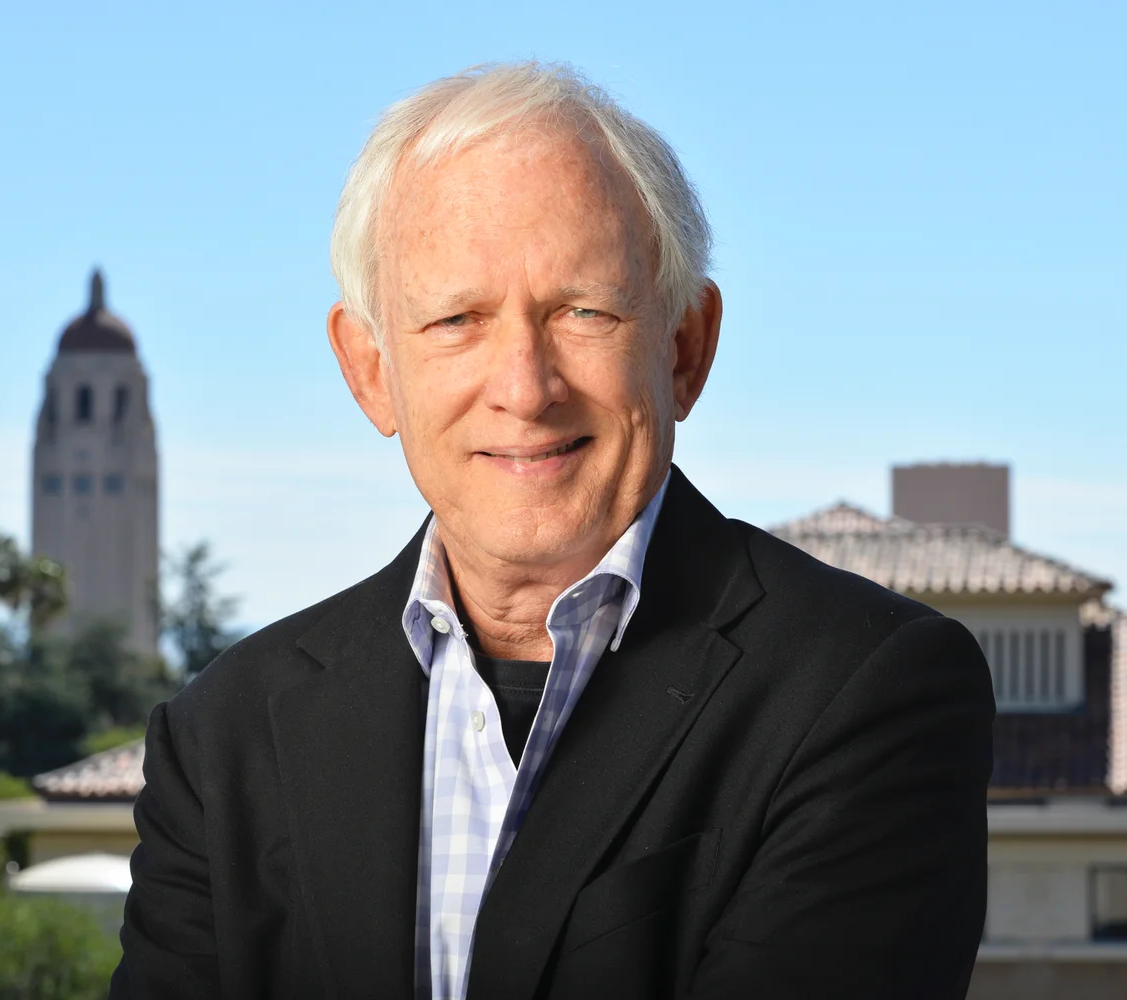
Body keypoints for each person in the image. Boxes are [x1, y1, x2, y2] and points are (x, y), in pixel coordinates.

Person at [110, 62, 993, 999]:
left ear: (685, 347)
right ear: (370, 371)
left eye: (584, 312)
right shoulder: (226, 738)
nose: (526, 389)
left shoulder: (865, 691)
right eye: (457, 319)